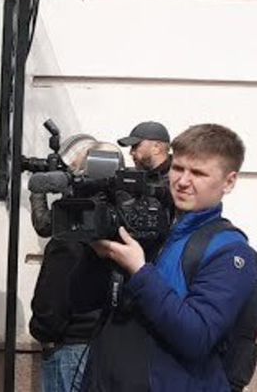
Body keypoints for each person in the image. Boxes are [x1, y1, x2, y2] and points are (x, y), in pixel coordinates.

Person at [81, 124, 256, 391]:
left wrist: (139, 271)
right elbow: (83, 302)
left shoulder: (230, 251)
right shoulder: (150, 229)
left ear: (228, 182)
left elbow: (197, 336)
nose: (182, 181)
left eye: (198, 173)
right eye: (178, 168)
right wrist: (95, 253)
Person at [27, 135, 102, 392]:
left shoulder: (70, 235)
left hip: (71, 346)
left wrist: (43, 333)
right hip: (104, 343)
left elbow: (52, 298)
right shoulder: (118, 223)